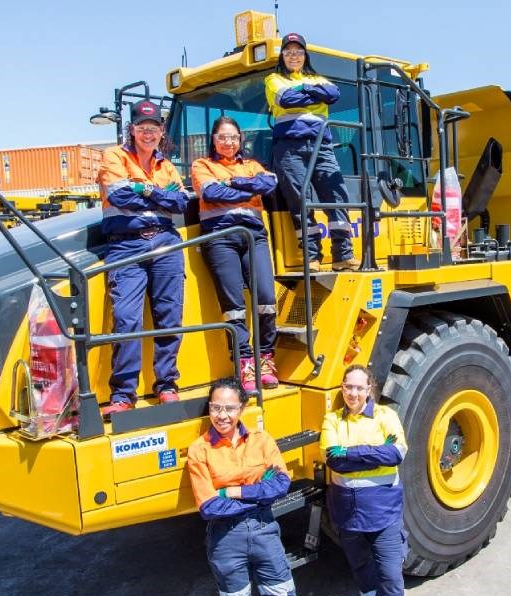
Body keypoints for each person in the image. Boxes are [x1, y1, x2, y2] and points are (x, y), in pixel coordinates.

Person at [97, 99, 191, 411]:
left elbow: (180, 203)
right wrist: (156, 195)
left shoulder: (167, 165)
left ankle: (167, 384)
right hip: (126, 244)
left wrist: (144, 190)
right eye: (142, 128)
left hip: (166, 243)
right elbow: (118, 193)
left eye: (153, 129)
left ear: (161, 131)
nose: (148, 134)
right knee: (126, 319)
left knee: (170, 315)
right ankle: (124, 394)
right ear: (132, 129)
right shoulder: (114, 156)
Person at [186, 377, 298, 596]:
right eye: (216, 408)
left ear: (242, 408)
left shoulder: (261, 440)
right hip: (226, 539)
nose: (222, 415)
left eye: (229, 408)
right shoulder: (199, 449)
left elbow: (281, 484)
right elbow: (210, 507)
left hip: (264, 531)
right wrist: (260, 496)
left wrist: (232, 492)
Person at [191, 116, 280, 393]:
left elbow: (269, 184)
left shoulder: (252, 165)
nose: (228, 142)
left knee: (266, 297)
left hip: (254, 236)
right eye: (222, 137)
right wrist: (245, 185)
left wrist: (232, 184)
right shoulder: (201, 165)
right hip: (220, 238)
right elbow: (211, 191)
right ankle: (245, 364)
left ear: (240, 139)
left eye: (233, 137)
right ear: (213, 140)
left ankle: (265, 358)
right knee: (233, 307)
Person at [264, 32, 360, 273]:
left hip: (321, 146)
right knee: (300, 202)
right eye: (288, 52)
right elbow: (286, 99)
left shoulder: (319, 78)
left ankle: (343, 254)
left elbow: (334, 94)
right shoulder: (273, 80)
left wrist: (305, 88)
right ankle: (311, 256)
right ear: (282, 56)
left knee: (336, 195)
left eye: (298, 52)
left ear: (304, 55)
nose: (293, 56)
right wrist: (312, 91)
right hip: (289, 148)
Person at [320, 364, 408, 596]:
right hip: (349, 517)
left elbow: (395, 454)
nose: (353, 393)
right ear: (342, 387)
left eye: (359, 387)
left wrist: (351, 453)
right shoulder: (332, 419)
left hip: (384, 515)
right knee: (362, 573)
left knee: (390, 577)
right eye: (348, 386)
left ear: (369, 389)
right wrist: (376, 452)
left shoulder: (385, 416)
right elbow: (334, 460)